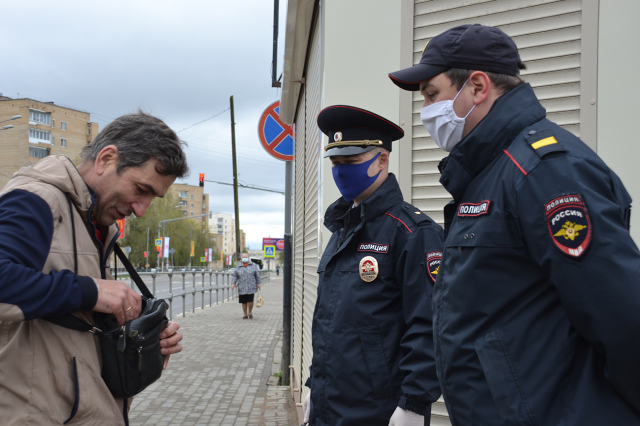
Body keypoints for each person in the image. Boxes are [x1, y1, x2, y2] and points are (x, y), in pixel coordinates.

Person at [389, 24, 640, 424]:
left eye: (432, 95)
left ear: (477, 87)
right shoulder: (491, 172)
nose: (426, 112)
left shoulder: (544, 172)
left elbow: (622, 316)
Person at [0, 111, 187, 425]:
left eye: (153, 198)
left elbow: (68, 322)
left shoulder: (94, 222)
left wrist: (140, 336)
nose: (142, 210)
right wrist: (91, 290)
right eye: (141, 190)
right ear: (107, 159)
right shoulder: (36, 200)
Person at [302, 105, 443, 426]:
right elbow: (329, 323)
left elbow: (430, 327)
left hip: (380, 410)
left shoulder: (413, 233)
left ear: (382, 160)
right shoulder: (341, 230)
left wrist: (414, 404)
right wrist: (314, 385)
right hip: (331, 404)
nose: (340, 171)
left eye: (350, 162)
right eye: (336, 163)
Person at [231, 252, 261, 319]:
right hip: (242, 286)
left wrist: (258, 283)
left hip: (251, 286)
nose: (245, 258)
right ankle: (245, 314)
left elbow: (257, 275)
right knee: (243, 301)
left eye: (246, 257)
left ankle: (250, 312)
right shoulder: (238, 266)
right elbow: (235, 276)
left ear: (248, 258)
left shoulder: (253, 265)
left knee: (250, 301)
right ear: (241, 258)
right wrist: (233, 283)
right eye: (243, 257)